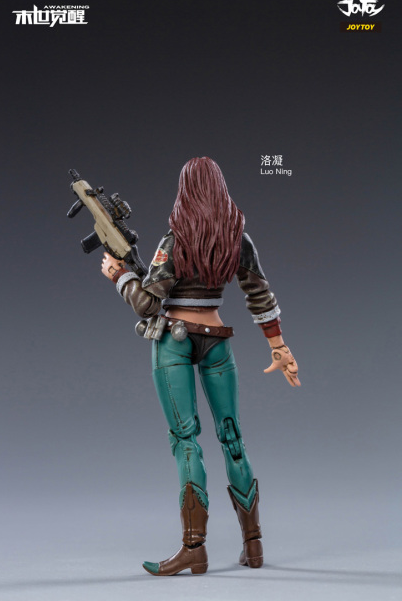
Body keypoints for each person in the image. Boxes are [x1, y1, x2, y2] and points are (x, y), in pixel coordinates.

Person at [101, 157, 300, 576]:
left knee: (185, 440)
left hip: (174, 343)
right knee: (233, 438)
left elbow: (147, 304)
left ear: (185, 192)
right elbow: (259, 294)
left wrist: (119, 275)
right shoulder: (237, 240)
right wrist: (279, 347)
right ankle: (254, 544)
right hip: (217, 341)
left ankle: (194, 549)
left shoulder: (175, 241)